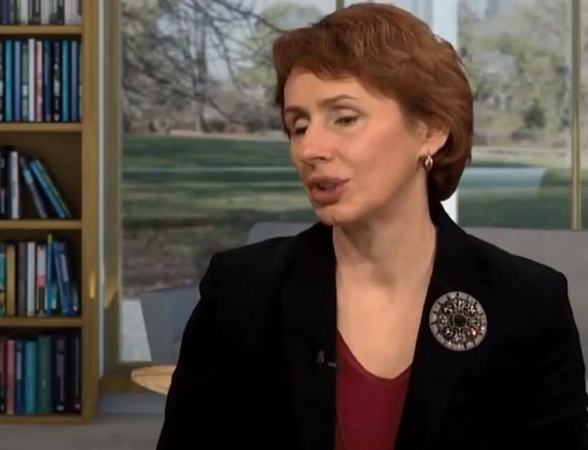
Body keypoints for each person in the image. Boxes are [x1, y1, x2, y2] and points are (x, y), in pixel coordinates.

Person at [155, 3, 588, 450]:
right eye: (298, 126)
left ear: (431, 129)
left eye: (345, 118)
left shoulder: (528, 304)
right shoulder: (241, 291)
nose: (310, 149)